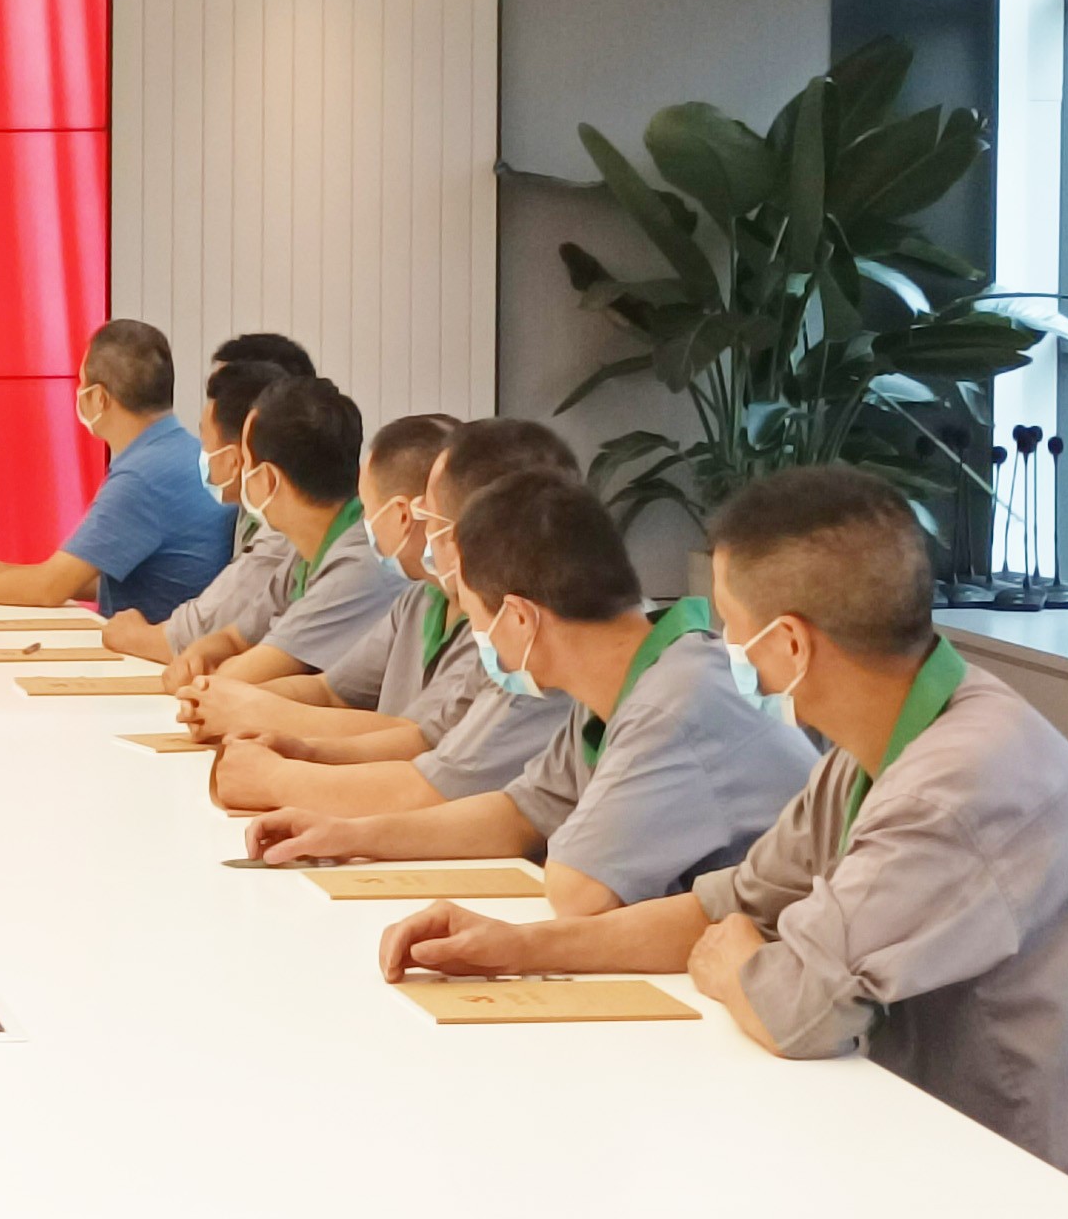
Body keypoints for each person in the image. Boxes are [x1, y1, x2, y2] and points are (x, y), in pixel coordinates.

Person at [380, 466, 1068, 1219]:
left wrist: (739, 958)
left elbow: (792, 1009)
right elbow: (730, 905)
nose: (719, 647)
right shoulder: (883, 743)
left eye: (729, 627)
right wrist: (514, 948)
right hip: (948, 1149)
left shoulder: (953, 788)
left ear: (787, 645)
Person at [244, 467, 816, 913]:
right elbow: (519, 812)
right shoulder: (622, 682)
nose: (480, 638)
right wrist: (349, 836)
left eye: (476, 615)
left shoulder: (677, 699)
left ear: (519, 619)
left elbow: (577, 889)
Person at [205, 415, 577, 816]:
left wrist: (278, 774)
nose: (433, 535)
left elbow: (432, 785)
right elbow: (427, 743)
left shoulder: (527, 649)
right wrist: (305, 752)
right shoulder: (468, 620)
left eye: (433, 519)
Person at [0, 319, 227, 616]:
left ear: (99, 398)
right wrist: (6, 575)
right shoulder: (183, 454)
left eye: (81, 382)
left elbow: (49, 589)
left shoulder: (142, 478)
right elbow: (123, 578)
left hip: (145, 651)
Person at [152, 376, 397, 690]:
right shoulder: (306, 551)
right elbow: (235, 637)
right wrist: (199, 653)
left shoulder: (360, 566)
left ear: (267, 479)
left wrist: (196, 674)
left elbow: (234, 681)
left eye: (246, 463)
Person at [97, 354, 286, 660]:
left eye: (205, 442)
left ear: (235, 459)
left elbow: (191, 636)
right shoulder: (249, 516)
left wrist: (132, 634)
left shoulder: (280, 540)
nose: (202, 453)